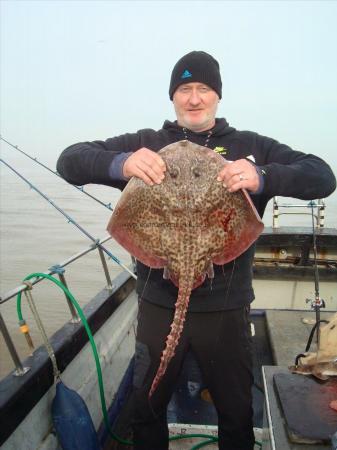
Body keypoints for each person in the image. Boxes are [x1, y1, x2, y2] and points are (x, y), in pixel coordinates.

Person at [57, 51, 336, 450]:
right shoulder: (146, 144)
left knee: (236, 413)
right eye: (184, 89)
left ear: (217, 95)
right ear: (173, 96)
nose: (193, 98)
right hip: (157, 302)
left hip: (226, 306)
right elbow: (69, 161)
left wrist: (262, 175)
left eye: (202, 89)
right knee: (147, 408)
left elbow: (322, 176)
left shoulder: (250, 145)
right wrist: (121, 164)